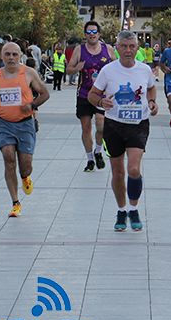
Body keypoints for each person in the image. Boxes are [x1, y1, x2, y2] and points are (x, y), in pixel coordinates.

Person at [88, 30, 158, 232]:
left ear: (137, 48)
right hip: (114, 126)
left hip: (138, 125)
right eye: (124, 46)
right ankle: (121, 210)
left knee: (134, 169)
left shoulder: (144, 69)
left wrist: (152, 102)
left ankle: (133, 209)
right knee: (118, 173)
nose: (128, 50)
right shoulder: (108, 71)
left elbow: (151, 88)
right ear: (117, 48)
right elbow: (92, 95)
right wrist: (101, 102)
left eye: (132, 46)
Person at [0, 42, 50, 217]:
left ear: (20, 55)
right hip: (4, 123)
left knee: (25, 166)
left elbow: (45, 93)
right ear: (2, 56)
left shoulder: (28, 73)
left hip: (25, 123)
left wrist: (32, 105)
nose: (11, 58)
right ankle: (15, 202)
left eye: (14, 54)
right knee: (8, 158)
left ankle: (25, 177)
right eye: (7, 54)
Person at [68, 21, 113, 171]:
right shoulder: (79, 50)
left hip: (102, 95)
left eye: (94, 32)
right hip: (84, 94)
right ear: (85, 34)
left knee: (101, 125)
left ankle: (98, 151)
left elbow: (117, 66)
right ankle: (90, 159)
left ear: (99, 34)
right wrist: (77, 68)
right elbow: (68, 69)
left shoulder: (108, 49)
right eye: (89, 32)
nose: (92, 35)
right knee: (86, 128)